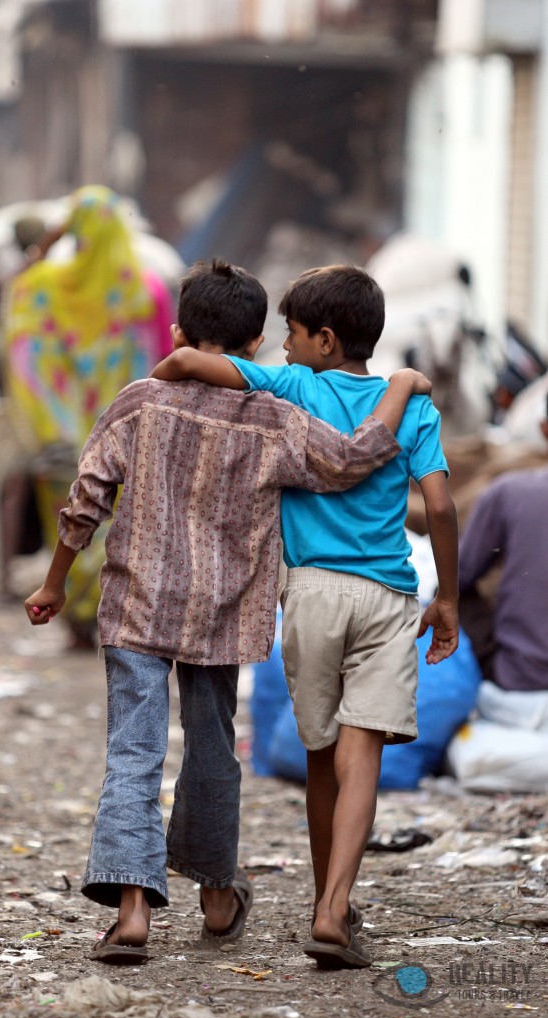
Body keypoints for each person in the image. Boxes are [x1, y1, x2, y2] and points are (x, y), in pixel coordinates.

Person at [24, 259, 431, 965]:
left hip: (136, 605)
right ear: (252, 348)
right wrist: (397, 389)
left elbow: (85, 497)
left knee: (133, 753)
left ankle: (130, 915)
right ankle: (217, 896)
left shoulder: (138, 400)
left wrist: (56, 582)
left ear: (179, 330)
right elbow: (353, 459)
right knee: (212, 749)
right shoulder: (275, 416)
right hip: (221, 612)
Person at [151, 264, 459, 969]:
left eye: (288, 335)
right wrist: (448, 599)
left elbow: (187, 361)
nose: (279, 349)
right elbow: (439, 507)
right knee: (364, 757)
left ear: (322, 340)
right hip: (387, 596)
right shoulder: (408, 405)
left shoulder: (293, 388)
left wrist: (164, 377)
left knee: (320, 755)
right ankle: (332, 907)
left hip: (311, 594)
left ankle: (329, 898)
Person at [3, 185, 174, 645]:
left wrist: (46, 244)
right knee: (122, 525)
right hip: (129, 436)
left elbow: (15, 300)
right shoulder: (145, 291)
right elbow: (164, 358)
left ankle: (75, 617)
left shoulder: (44, 288)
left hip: (60, 440)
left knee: (71, 518)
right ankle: (106, 614)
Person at [459, 415, 548, 707]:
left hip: (519, 678)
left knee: (448, 595)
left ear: (544, 428)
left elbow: (456, 577)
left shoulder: (509, 491)